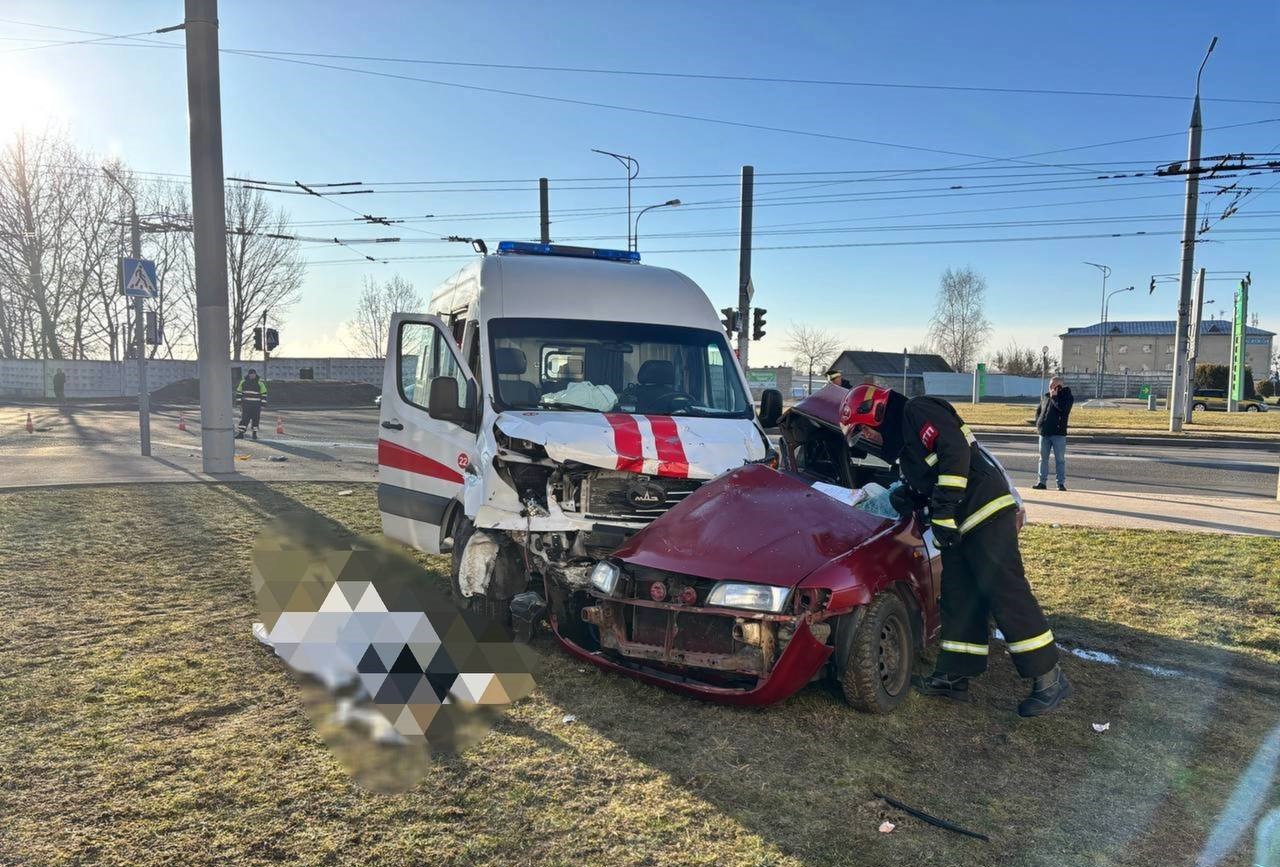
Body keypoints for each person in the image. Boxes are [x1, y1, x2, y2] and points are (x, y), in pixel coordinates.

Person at [840, 384, 1070, 717]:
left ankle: (1049, 679)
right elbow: (927, 483)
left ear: (875, 413)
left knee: (1005, 593)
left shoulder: (917, 411)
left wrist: (944, 511)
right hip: (959, 527)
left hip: (985, 513)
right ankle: (954, 676)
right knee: (959, 596)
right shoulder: (906, 447)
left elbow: (954, 453)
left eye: (864, 433)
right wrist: (899, 499)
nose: (867, 442)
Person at [1033, 376, 1073, 491]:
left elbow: (1063, 409)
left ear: (1060, 386)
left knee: (1059, 459)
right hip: (1044, 433)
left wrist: (1055, 397)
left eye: (1053, 385)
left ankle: (1060, 483)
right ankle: (1041, 482)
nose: (1050, 387)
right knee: (1043, 458)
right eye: (1050, 385)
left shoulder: (1067, 397)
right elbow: (1039, 411)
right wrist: (1039, 423)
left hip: (1058, 434)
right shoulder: (1046, 397)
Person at [235, 369, 268, 440]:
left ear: (255, 374)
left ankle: (254, 434)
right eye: (251, 374)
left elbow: (264, 394)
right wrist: (238, 403)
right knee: (244, 419)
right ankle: (241, 434)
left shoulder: (260, 383)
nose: (252, 375)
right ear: (249, 374)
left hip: (256, 405)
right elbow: (239, 393)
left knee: (256, 419)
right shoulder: (243, 382)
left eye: (254, 374)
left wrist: (263, 405)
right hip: (246, 405)